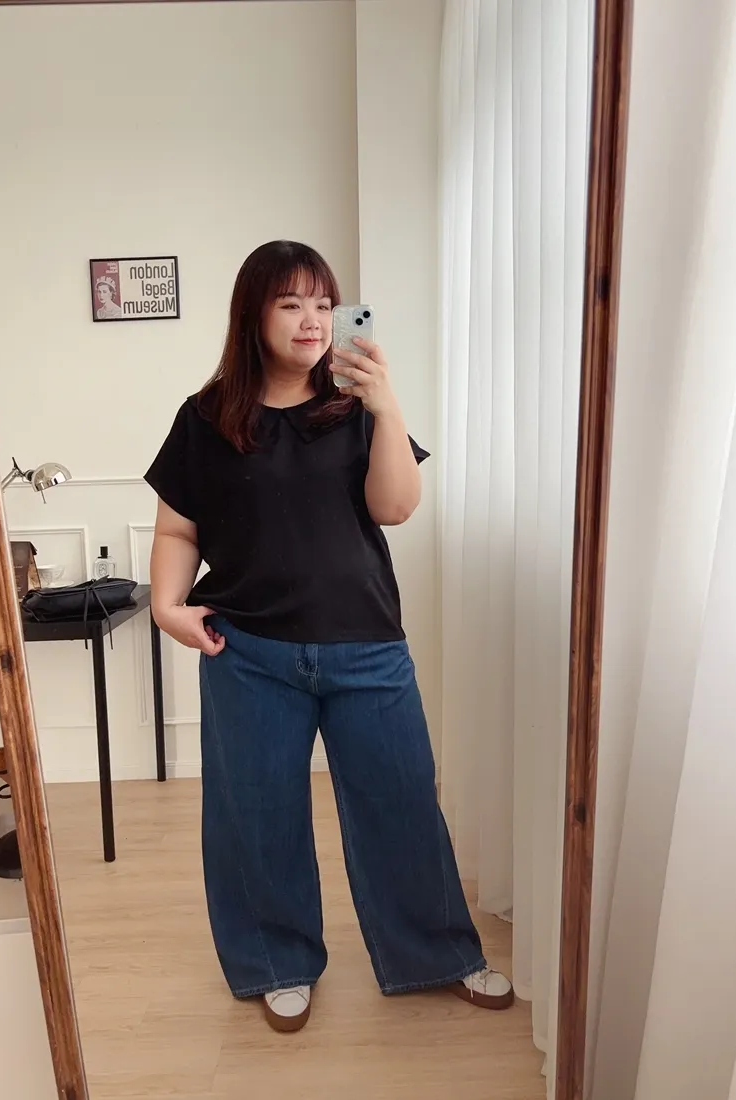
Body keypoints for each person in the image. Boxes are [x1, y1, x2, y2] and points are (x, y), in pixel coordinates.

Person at [144, 240, 513, 1033]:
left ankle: (438, 954)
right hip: (247, 652)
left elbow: (395, 508)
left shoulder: (355, 406)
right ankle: (277, 962)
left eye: (322, 303)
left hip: (366, 645)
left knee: (402, 805)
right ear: (253, 315)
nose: (311, 320)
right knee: (256, 815)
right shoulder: (206, 417)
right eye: (290, 304)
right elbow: (178, 528)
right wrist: (168, 607)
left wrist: (387, 405)